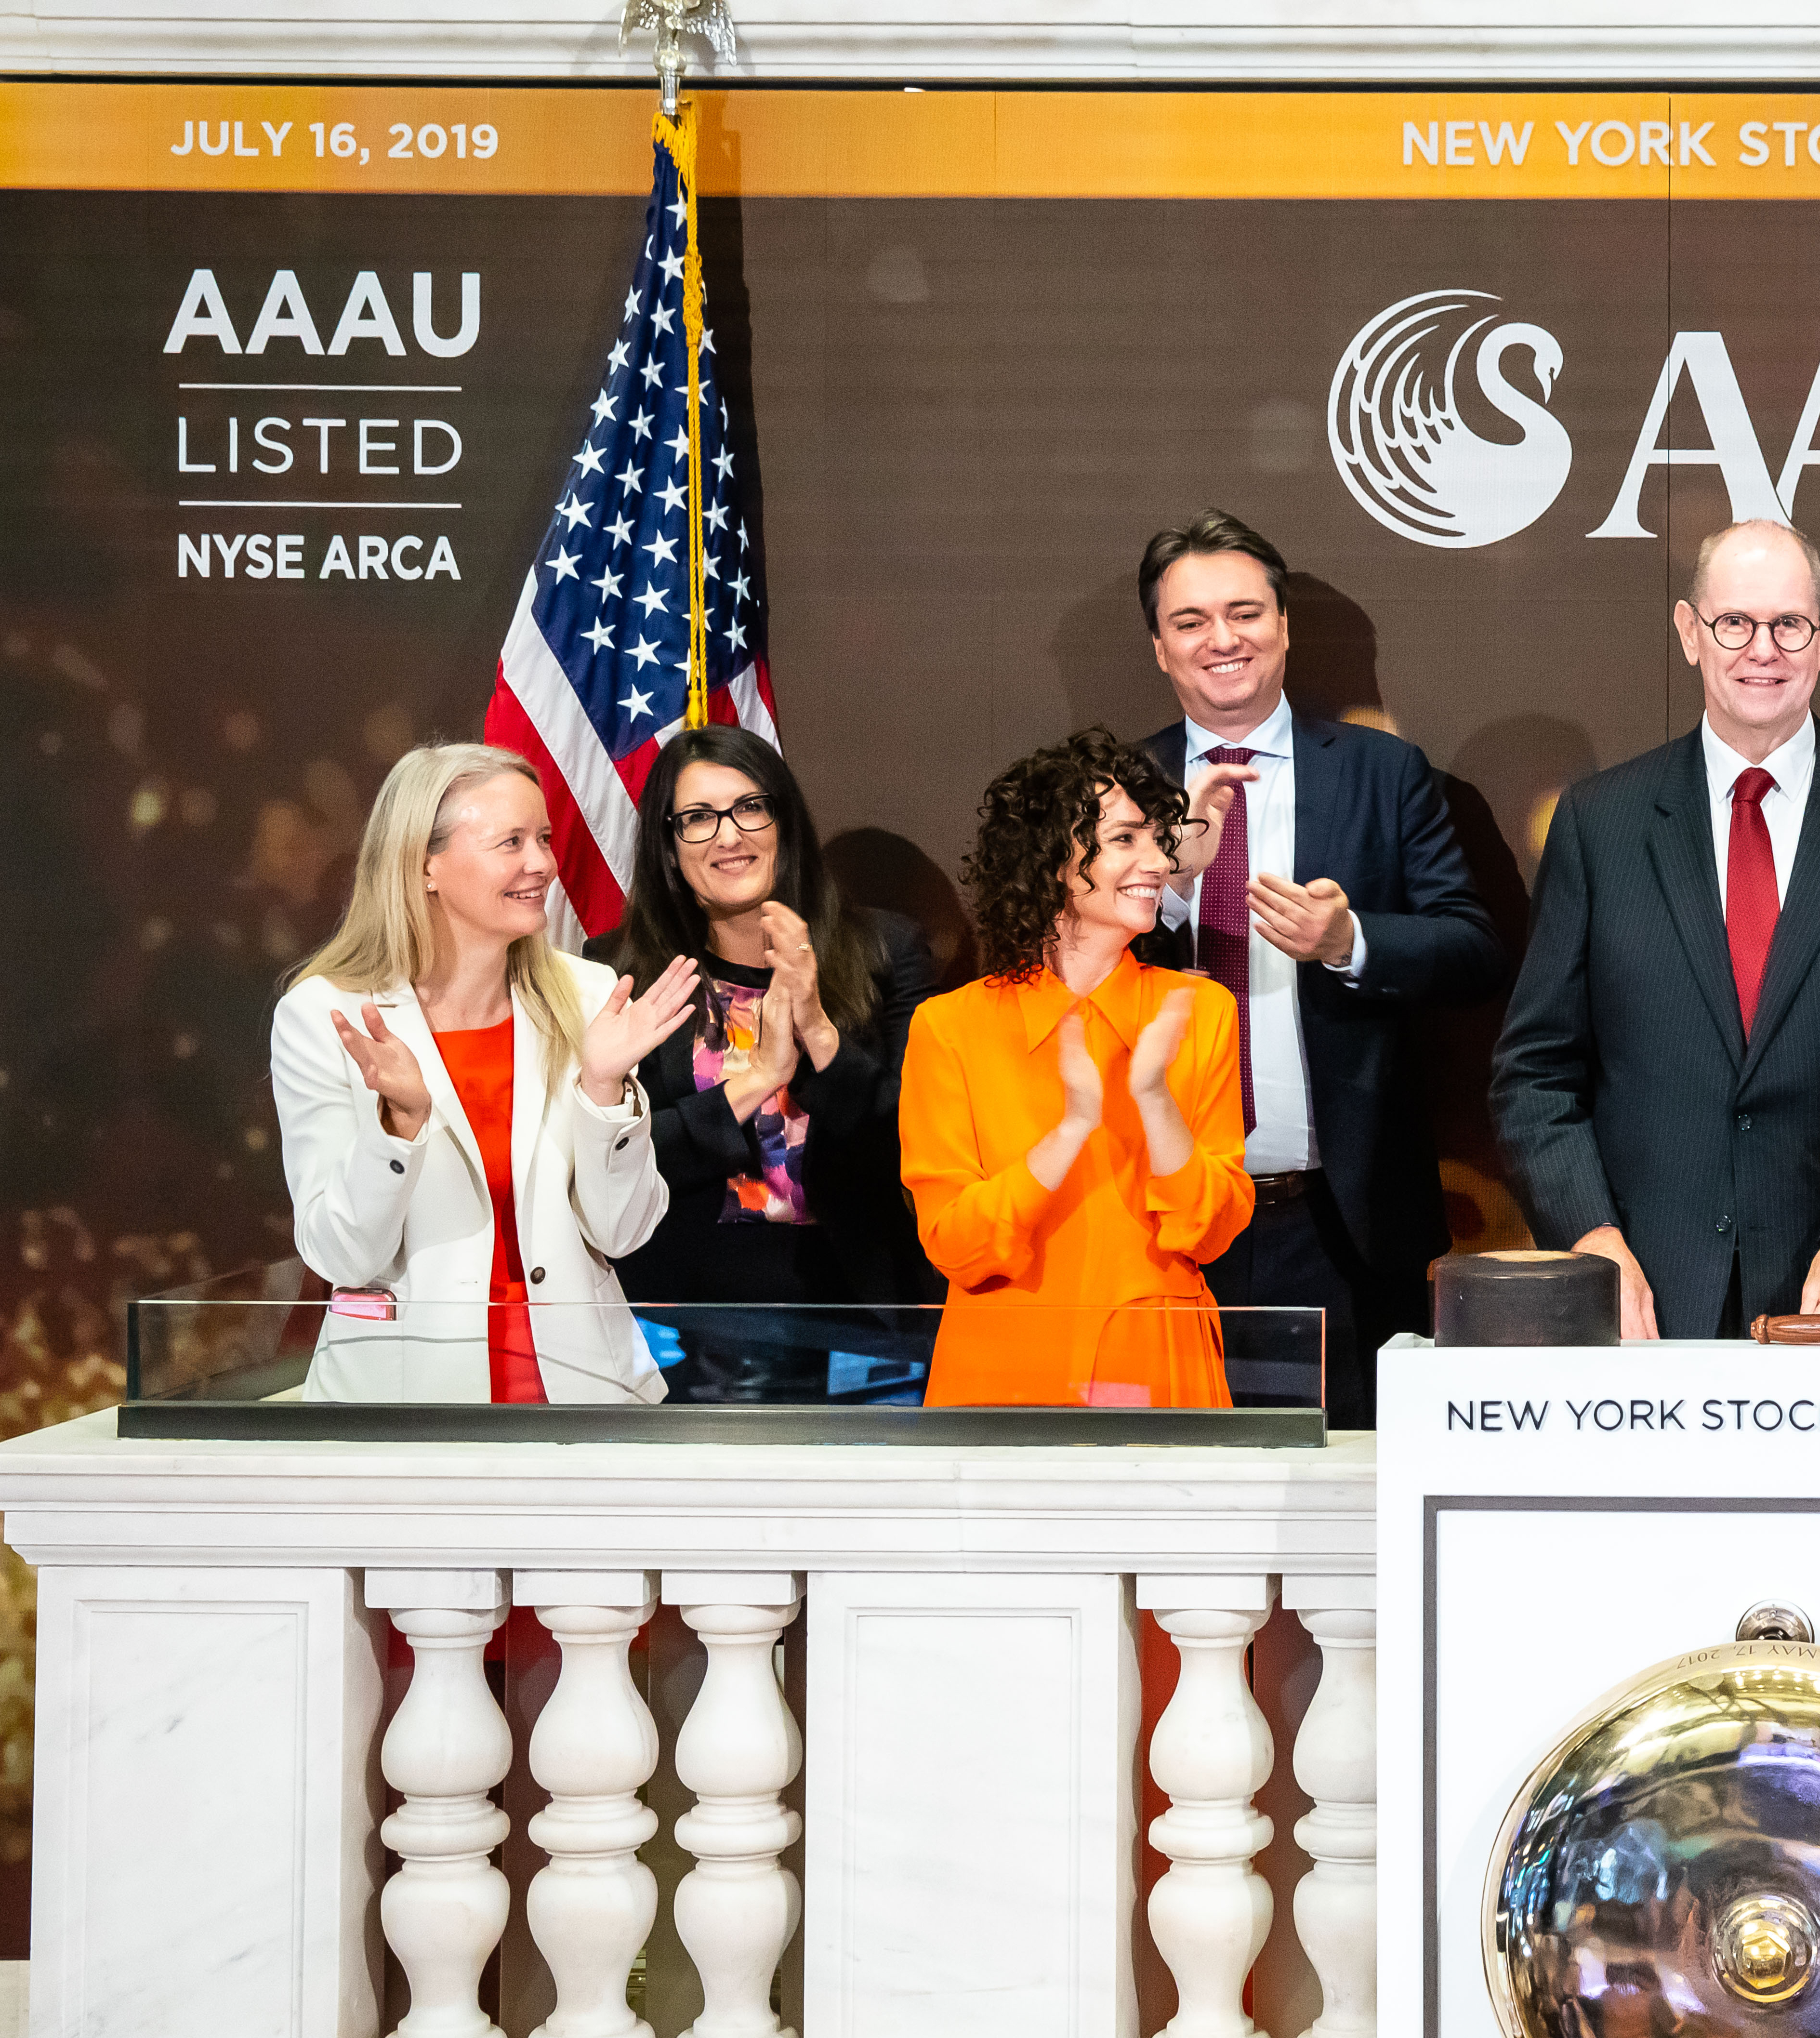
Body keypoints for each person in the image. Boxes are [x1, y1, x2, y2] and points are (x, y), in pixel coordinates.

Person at [1491, 519, 1820, 1338]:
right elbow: (1534, 1072)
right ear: (1690, 633)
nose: (1764, 650)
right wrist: (1593, 1244)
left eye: (1788, 624)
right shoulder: (1600, 823)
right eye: (1735, 625)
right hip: (1643, 1303)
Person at [1127, 510, 1504, 1427]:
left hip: (1340, 1221)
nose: (1223, 639)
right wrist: (1168, 888)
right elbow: (1051, 976)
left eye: (1245, 612)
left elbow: (1472, 950)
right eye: (1191, 622)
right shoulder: (1112, 784)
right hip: (1154, 1224)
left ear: (1285, 626)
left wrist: (1351, 943)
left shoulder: (1383, 773)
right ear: (1159, 649)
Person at [270, 742, 700, 1403]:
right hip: (406, 1409)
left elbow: (626, 1232)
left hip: (582, 1395)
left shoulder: (589, 996)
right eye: (511, 842)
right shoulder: (325, 1015)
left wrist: (605, 1091)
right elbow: (340, 1257)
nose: (543, 865)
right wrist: (399, 1126)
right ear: (424, 867)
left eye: (545, 839)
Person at [898, 730, 1257, 1408]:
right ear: (1050, 860)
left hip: (1155, 1358)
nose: (1158, 859)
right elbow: (955, 1245)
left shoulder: (1197, 1009)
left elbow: (1211, 1232)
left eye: (1158, 838)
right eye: (1125, 839)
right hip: (1002, 1365)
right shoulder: (949, 1028)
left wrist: (1152, 1098)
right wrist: (1070, 1134)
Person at [602, 727, 943, 1397]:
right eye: (698, 819)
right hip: (681, 1326)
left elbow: (915, 1140)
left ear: (783, 818)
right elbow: (617, 1156)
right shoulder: (619, 970)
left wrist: (817, 1031)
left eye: (750, 807)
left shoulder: (885, 949)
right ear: (668, 847)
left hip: (863, 1321)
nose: (729, 836)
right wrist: (758, 1079)